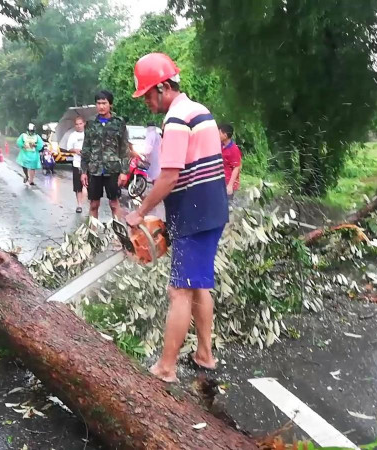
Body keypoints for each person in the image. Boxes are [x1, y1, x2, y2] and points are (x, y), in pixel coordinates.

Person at [125, 53, 230, 383]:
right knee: (199, 286)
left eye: (147, 95)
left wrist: (139, 212)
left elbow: (170, 177)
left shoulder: (176, 119)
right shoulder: (201, 111)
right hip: (211, 209)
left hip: (194, 213)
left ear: (163, 87)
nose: (147, 103)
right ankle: (204, 354)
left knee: (180, 290)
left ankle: (166, 367)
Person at [80, 90, 129, 219]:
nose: (101, 106)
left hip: (113, 169)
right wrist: (83, 171)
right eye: (98, 103)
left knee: (114, 204)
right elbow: (86, 147)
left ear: (110, 104)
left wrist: (124, 172)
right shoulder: (90, 124)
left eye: (104, 103)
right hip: (94, 169)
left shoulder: (119, 123)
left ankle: (117, 236)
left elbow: (124, 149)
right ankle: (93, 234)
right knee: (94, 204)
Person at [66, 116, 86, 213]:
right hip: (77, 163)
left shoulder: (88, 133)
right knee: (78, 186)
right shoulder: (72, 135)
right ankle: (79, 204)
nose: (78, 126)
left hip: (89, 164)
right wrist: (75, 150)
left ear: (84, 123)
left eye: (80, 123)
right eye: (76, 124)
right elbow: (69, 148)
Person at [219, 123, 242, 202]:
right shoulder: (220, 145)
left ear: (225, 135)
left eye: (219, 133)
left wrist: (230, 185)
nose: (217, 135)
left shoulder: (234, 149)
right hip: (221, 180)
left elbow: (236, 167)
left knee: (227, 206)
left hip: (229, 182)